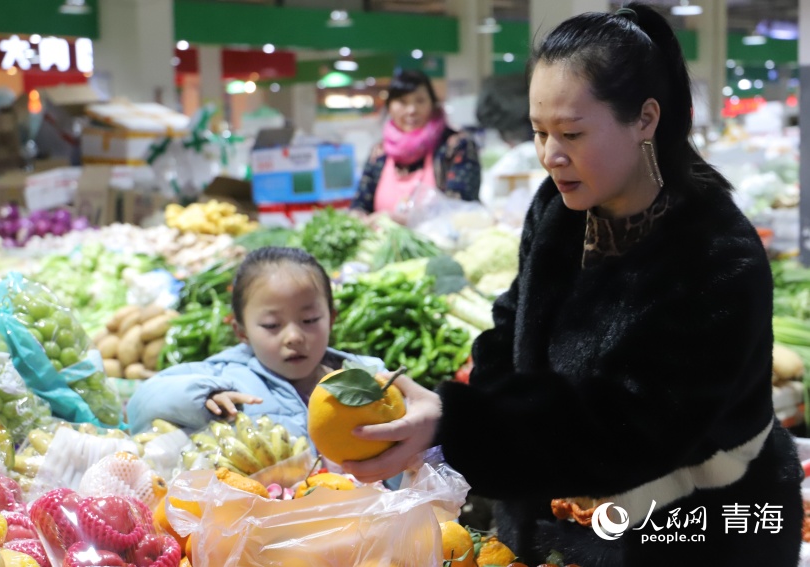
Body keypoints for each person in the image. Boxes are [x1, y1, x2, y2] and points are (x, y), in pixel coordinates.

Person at [342, 4, 803, 566]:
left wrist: (466, 427)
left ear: (645, 120)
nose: (550, 155)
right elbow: (512, 328)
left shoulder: (714, 252)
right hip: (558, 518)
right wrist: (459, 410)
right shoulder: (559, 210)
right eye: (539, 132)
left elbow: (634, 427)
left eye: (572, 133)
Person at [125, 246, 384, 442]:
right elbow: (140, 406)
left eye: (309, 319)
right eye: (272, 325)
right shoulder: (224, 377)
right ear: (242, 331)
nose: (294, 337)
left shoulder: (367, 377)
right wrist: (203, 397)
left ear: (331, 319)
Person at [349, 69, 481, 224]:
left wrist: (404, 221)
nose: (411, 110)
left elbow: (461, 208)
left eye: (420, 101)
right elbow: (361, 202)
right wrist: (356, 217)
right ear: (389, 106)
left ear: (432, 104)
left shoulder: (456, 146)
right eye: (402, 102)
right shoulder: (380, 152)